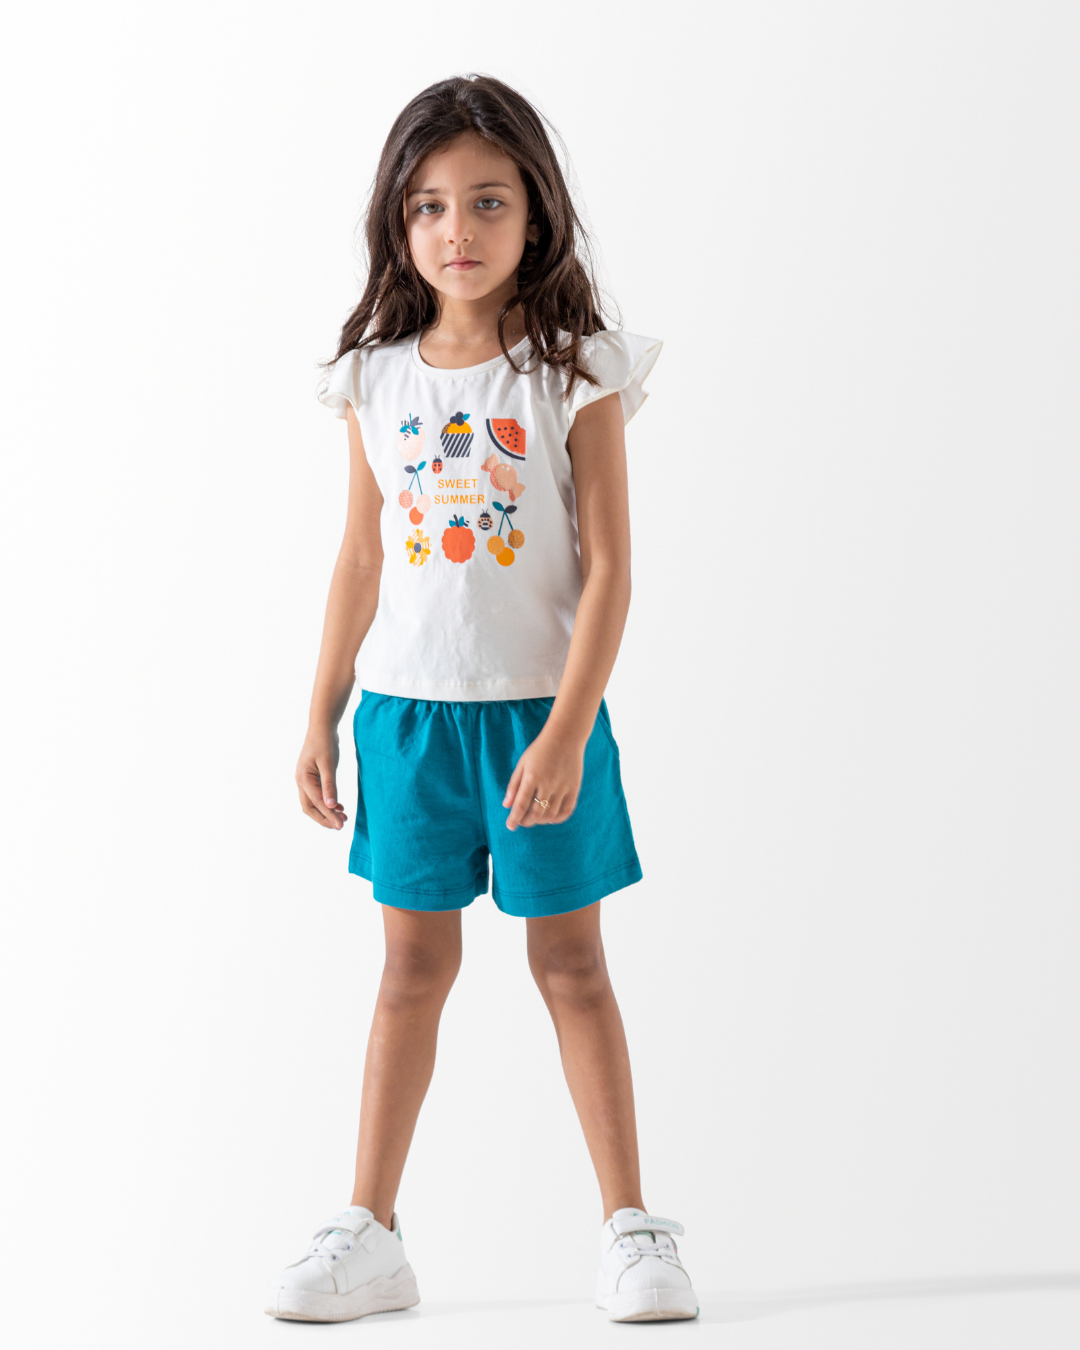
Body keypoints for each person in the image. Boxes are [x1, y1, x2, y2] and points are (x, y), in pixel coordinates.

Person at [265, 74, 697, 1326]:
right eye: (431, 207)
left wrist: (565, 730)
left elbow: (611, 568)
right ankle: (371, 1231)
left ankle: (632, 1227)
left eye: (489, 202)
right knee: (410, 970)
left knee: (572, 965)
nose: (458, 230)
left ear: (535, 214)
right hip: (406, 725)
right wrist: (319, 710)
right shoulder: (374, 379)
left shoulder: (574, 372)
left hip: (539, 723)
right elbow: (360, 559)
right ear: (399, 224)